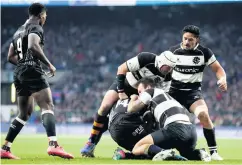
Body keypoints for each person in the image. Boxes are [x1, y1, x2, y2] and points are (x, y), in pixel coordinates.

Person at [0, 3, 73, 159]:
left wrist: (22, 64)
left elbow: (10, 57)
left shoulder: (18, 30)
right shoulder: (36, 27)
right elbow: (33, 45)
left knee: (24, 114)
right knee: (47, 105)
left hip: (19, 73)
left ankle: (5, 148)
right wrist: (49, 64)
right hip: (32, 70)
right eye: (45, 15)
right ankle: (53, 145)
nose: (45, 18)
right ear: (41, 15)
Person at [81, 51, 177, 157]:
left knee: (144, 118)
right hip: (125, 85)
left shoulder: (168, 76)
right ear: (161, 62)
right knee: (104, 107)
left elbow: (162, 93)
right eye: (167, 67)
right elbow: (121, 69)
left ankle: (139, 149)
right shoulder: (146, 58)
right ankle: (91, 142)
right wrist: (121, 92)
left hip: (141, 93)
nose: (168, 70)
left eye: (171, 68)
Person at [167, 25, 226, 160]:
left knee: (204, 115)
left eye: (191, 40)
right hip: (173, 92)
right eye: (185, 39)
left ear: (197, 40)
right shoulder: (173, 51)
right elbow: (163, 70)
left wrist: (222, 79)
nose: (187, 42)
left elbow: (218, 69)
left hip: (192, 93)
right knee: (160, 118)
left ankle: (214, 152)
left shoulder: (204, 53)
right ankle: (154, 149)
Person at [127, 78, 211, 162]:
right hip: (191, 131)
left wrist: (133, 98)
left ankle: (164, 153)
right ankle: (200, 153)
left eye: (140, 91)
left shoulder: (151, 91)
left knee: (137, 148)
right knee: (187, 154)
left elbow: (131, 109)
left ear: (148, 87)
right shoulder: (167, 97)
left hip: (175, 128)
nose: (139, 95)